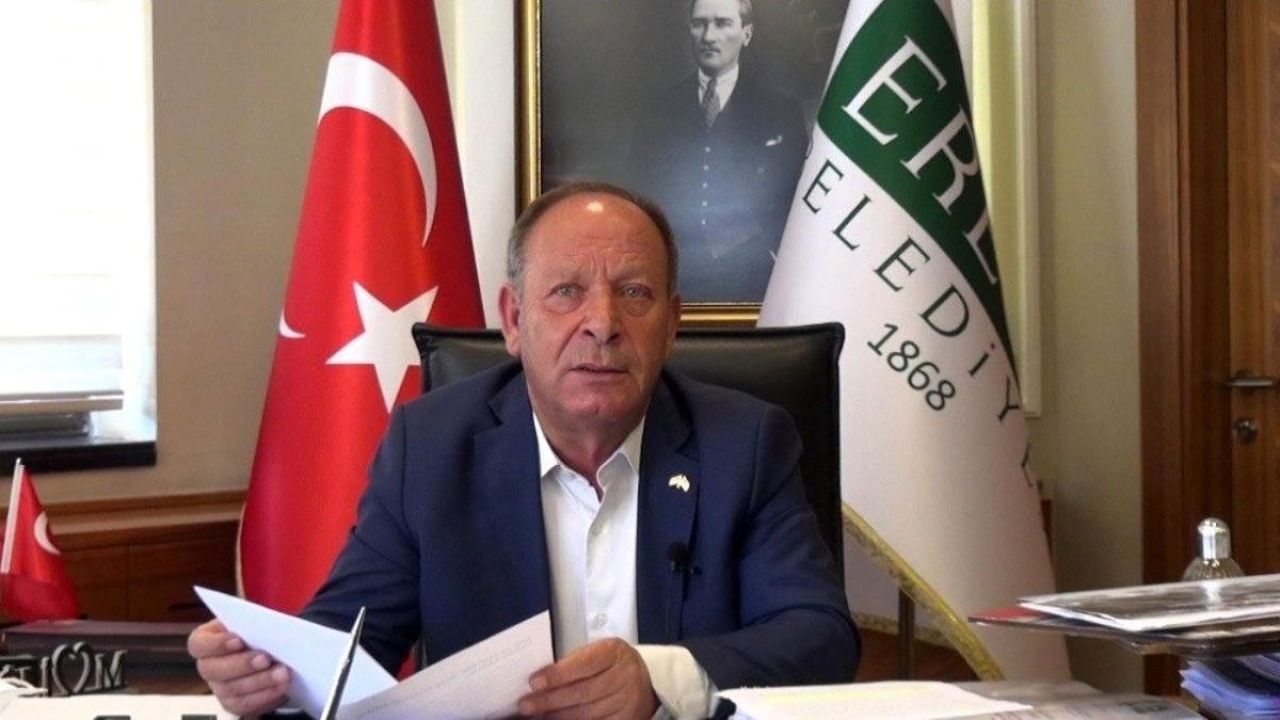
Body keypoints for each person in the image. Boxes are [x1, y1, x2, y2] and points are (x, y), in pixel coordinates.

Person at [188, 182, 857, 719]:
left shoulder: (745, 443)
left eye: (634, 293)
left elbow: (819, 636)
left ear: (672, 324)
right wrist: (266, 672)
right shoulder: (431, 447)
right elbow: (349, 644)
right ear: (513, 321)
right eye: (567, 293)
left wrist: (658, 678)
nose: (602, 323)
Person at [629, 0, 808, 303]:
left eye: (722, 23)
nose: (709, 36)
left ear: (746, 34)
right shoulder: (657, 110)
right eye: (700, 24)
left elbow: (795, 200)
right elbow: (640, 193)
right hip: (675, 272)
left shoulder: (781, 110)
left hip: (753, 273)